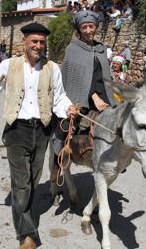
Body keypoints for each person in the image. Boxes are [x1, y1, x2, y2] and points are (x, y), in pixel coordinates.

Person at [0, 22, 76, 249]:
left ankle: (25, 221)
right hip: (16, 130)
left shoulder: (52, 68)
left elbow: (59, 97)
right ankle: (27, 235)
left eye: (41, 42)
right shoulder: (9, 65)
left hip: (42, 130)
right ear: (24, 42)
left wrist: (68, 109)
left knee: (33, 181)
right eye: (34, 42)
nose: (38, 46)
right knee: (21, 184)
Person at [51, 10, 117, 181]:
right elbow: (75, 78)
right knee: (64, 130)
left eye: (91, 26)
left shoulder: (101, 49)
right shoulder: (72, 49)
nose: (88, 30)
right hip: (80, 98)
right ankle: (60, 161)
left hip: (104, 96)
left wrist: (110, 96)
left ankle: (116, 160)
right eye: (84, 27)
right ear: (79, 29)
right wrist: (94, 96)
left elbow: (102, 76)